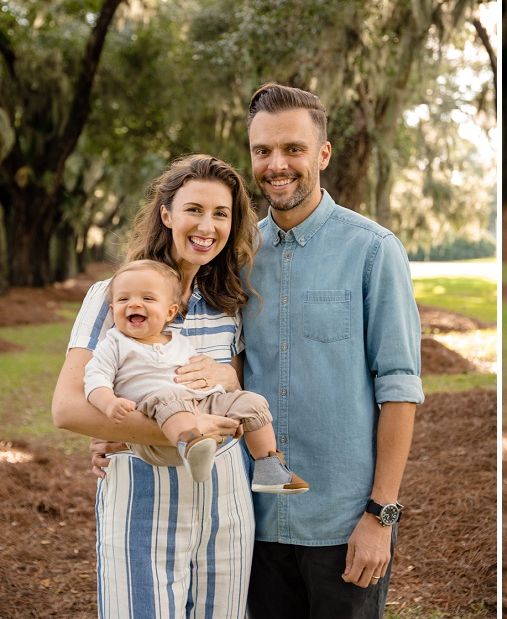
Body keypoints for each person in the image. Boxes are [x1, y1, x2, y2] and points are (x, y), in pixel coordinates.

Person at [240, 82, 424, 618]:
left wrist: (380, 516)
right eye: (262, 151)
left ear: (322, 153)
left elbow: (399, 389)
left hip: (344, 527)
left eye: (293, 149)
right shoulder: (238, 255)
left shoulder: (374, 251)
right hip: (256, 524)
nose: (277, 164)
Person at [52, 154, 261, 619]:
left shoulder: (229, 301)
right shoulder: (116, 295)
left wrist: (227, 377)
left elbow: (243, 383)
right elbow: (67, 407)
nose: (207, 225)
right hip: (141, 506)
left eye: (221, 214)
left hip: (227, 507)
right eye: (193, 209)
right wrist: (157, 430)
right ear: (166, 214)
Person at [84, 258, 309, 493]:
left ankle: (268, 468)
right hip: (155, 428)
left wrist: (228, 406)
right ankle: (192, 446)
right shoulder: (114, 343)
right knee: (170, 396)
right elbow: (94, 379)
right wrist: (109, 404)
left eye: (148, 298)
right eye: (123, 299)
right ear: (113, 309)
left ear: (169, 311)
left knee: (251, 401)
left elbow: (203, 383)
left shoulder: (179, 342)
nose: (134, 304)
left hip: (197, 407)